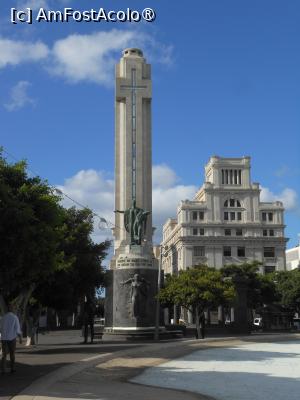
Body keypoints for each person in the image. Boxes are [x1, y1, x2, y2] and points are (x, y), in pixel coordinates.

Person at [0, 303, 22, 374]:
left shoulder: (3, 317)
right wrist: (20, 338)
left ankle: (3, 369)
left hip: (4, 338)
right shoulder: (15, 317)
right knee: (12, 354)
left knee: (4, 354)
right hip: (12, 338)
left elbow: (0, 328)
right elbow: (17, 329)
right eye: (14, 308)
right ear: (12, 309)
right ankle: (12, 368)